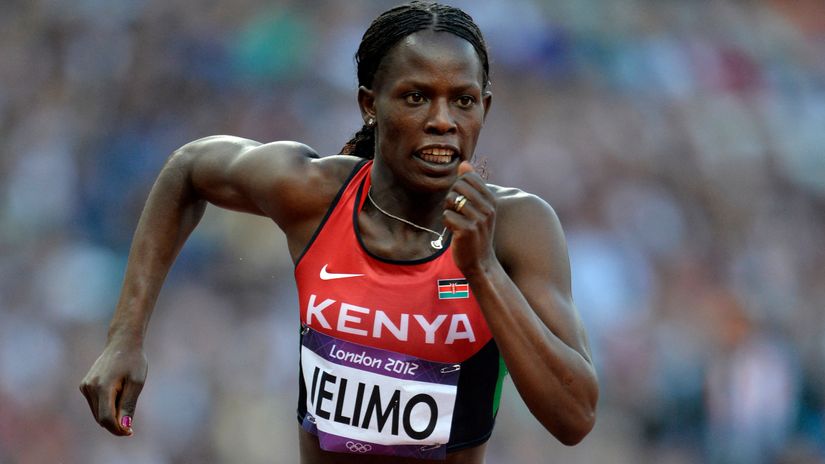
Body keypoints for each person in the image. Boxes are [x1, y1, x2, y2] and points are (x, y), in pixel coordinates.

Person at [79, 1, 598, 462]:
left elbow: (574, 419)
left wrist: (483, 270)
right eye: (416, 97)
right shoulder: (315, 195)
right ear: (370, 105)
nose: (443, 120)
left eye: (462, 100)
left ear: (484, 107)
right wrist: (125, 336)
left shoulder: (517, 227)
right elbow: (188, 168)